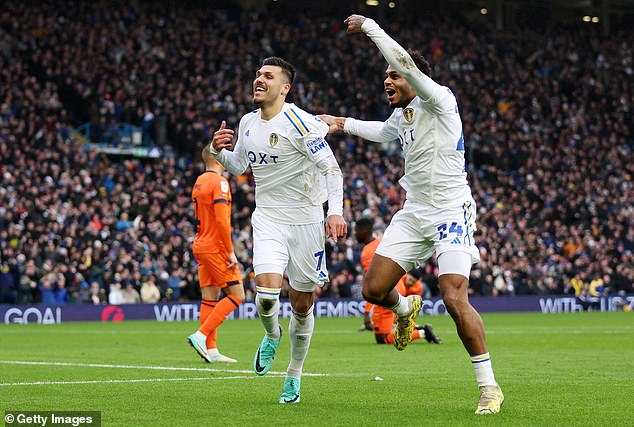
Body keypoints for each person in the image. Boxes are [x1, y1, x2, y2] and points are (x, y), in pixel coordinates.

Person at [319, 15, 503, 414]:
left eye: (394, 77)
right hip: (414, 211)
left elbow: (403, 62)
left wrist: (370, 26)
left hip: (452, 210)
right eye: (385, 77)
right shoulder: (403, 116)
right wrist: (341, 123)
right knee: (372, 290)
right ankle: (406, 309)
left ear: (412, 76)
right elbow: (383, 133)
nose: (388, 81)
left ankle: (489, 387)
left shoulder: (440, 99)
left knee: (454, 297)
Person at [210, 56, 347, 403]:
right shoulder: (247, 122)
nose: (259, 79)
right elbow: (239, 165)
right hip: (268, 216)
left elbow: (332, 170)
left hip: (306, 220)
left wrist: (335, 212)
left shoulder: (301, 123)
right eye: (257, 74)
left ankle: (293, 375)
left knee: (302, 306)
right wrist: (217, 150)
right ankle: (272, 335)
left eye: (268, 76)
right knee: (267, 296)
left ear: (284, 87)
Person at [186, 148, 245, 364]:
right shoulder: (219, 182)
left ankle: (211, 349)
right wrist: (230, 251)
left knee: (209, 299)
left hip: (200, 243)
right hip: (215, 246)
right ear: (218, 157)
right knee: (237, 295)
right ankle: (200, 336)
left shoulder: (199, 181)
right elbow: (222, 221)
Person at [355, 218, 442, 345]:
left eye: (357, 231)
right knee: (397, 316)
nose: (355, 234)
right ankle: (416, 327)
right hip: (396, 284)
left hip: (386, 289)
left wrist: (367, 313)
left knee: (383, 338)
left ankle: (422, 332)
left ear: (365, 231)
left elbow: (372, 284)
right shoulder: (381, 241)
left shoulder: (367, 251)